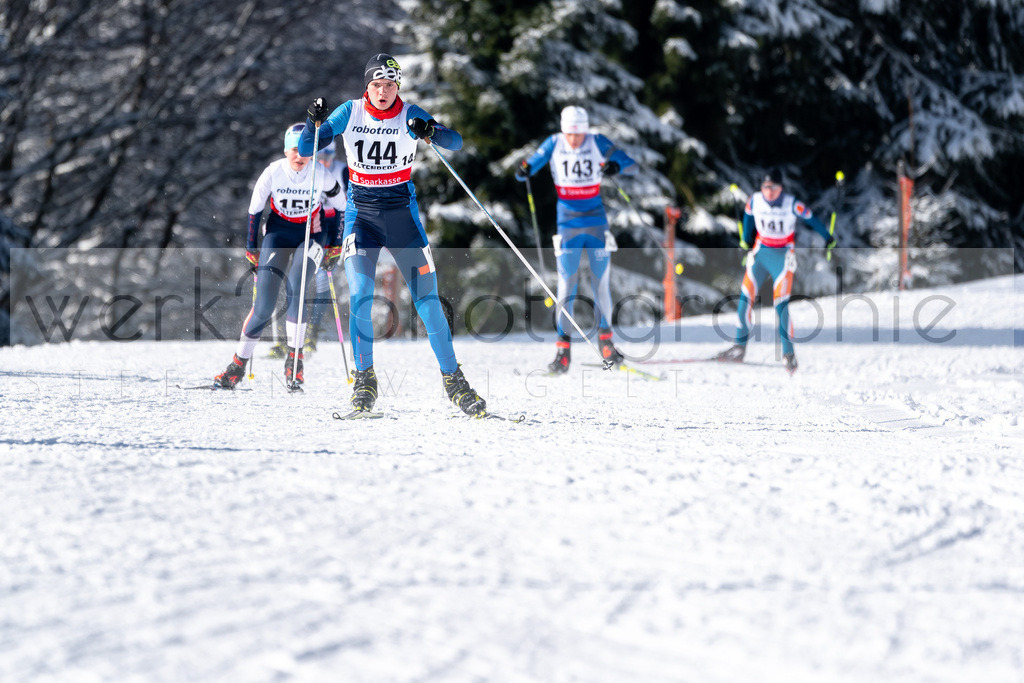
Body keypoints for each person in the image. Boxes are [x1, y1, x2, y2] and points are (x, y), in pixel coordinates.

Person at [300, 53, 487, 416]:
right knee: (360, 295)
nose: (382, 92)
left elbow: (457, 142)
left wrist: (431, 131)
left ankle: (454, 380)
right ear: (366, 87)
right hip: (362, 219)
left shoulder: (409, 112)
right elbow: (308, 147)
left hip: (402, 217)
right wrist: (313, 123)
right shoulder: (350, 112)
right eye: (376, 85)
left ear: (397, 86)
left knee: (428, 301)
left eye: (389, 85)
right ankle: (365, 378)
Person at [214, 123, 346, 388]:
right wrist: (252, 247)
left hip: (312, 236)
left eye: (307, 150)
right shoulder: (273, 172)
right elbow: (254, 211)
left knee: (297, 286)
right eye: (295, 150)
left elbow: (341, 205)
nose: (301, 156)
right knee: (263, 305)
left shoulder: (320, 173)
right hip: (278, 233)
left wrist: (336, 244)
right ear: (286, 150)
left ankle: (294, 364)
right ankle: (237, 366)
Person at [515, 105, 636, 374]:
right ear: (563, 130)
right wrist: (524, 169)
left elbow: (631, 164)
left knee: (600, 283)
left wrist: (616, 165)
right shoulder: (554, 143)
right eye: (570, 133)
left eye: (579, 134)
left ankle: (606, 344)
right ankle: (563, 352)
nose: (575, 140)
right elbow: (527, 166)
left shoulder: (597, 141)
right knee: (566, 286)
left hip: (596, 223)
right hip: (567, 224)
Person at [715, 167, 836, 373]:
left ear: (781, 188)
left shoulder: (792, 205)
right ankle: (739, 347)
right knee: (745, 298)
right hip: (760, 253)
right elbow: (747, 217)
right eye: (766, 186)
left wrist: (828, 238)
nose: (769, 191)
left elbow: (812, 219)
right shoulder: (754, 200)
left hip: (783, 256)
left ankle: (788, 354)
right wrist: (745, 239)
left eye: (774, 187)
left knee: (781, 305)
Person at [268, 140, 349, 358]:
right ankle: (288, 338)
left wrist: (338, 240)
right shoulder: (305, 168)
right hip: (307, 225)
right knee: (290, 280)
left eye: (328, 157)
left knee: (323, 279)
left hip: (331, 226)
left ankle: (312, 332)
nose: (324, 162)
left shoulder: (341, 171)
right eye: (320, 157)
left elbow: (347, 205)